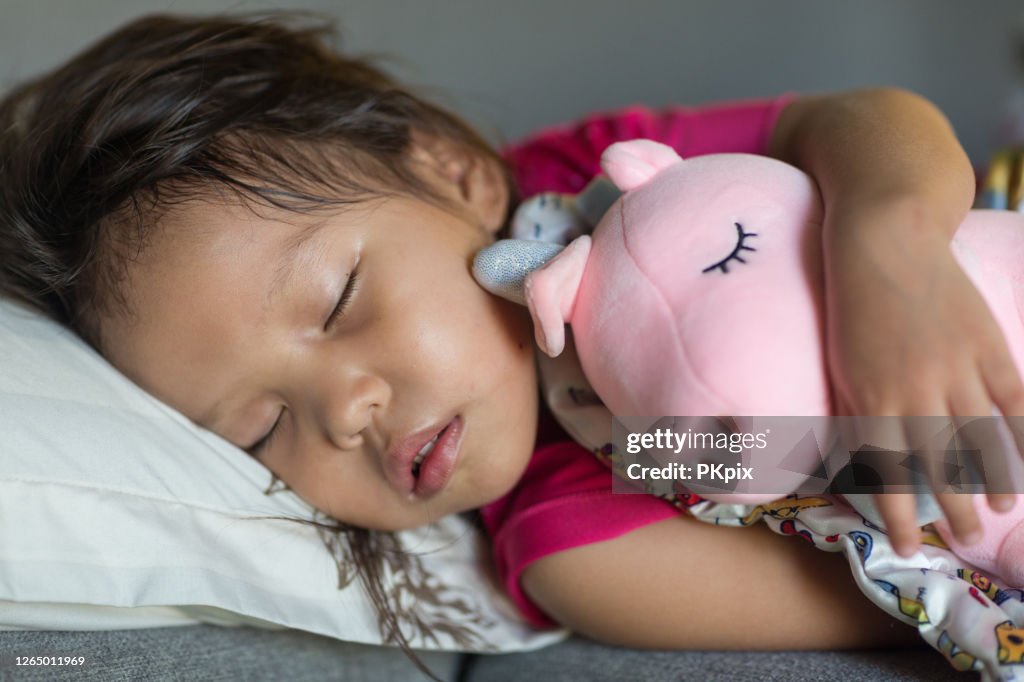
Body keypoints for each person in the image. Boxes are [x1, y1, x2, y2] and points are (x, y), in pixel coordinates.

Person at [0, 12, 1020, 660]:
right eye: (263, 428)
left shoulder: (590, 183)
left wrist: (888, 251)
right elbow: (904, 561)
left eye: (341, 298)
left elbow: (854, 121)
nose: (345, 410)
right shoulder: (579, 527)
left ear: (452, 172)